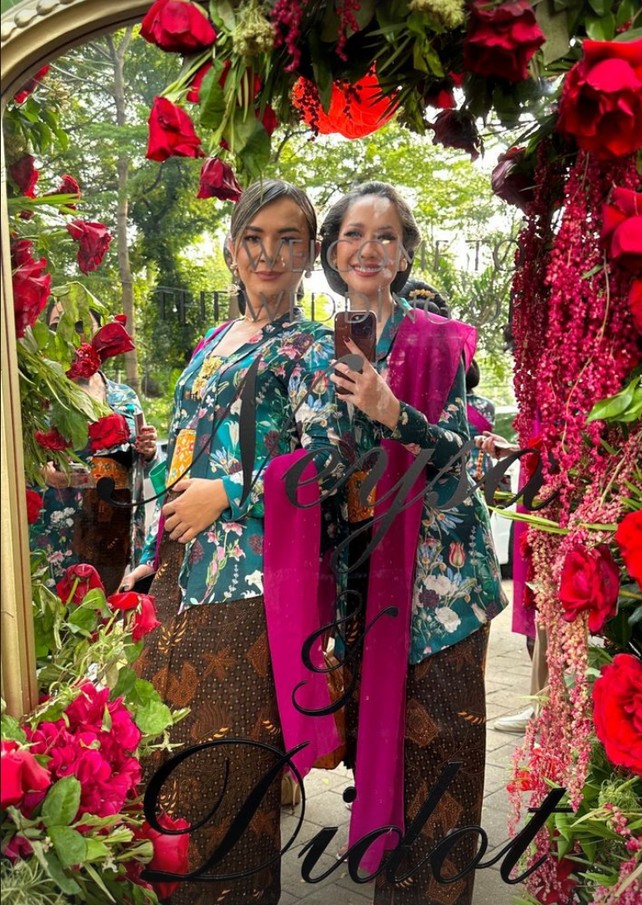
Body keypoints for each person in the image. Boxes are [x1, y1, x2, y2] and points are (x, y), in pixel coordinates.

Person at [122, 180, 345, 905]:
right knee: (170, 778)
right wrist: (160, 545)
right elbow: (184, 447)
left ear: (310, 253)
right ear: (232, 247)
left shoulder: (315, 347)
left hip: (246, 593)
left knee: (228, 790)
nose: (269, 253)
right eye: (255, 236)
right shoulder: (212, 341)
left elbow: (335, 461)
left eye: (289, 238)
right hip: (179, 584)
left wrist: (233, 489)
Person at [321, 182, 507, 905]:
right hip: (365, 590)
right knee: (386, 764)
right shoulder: (317, 346)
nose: (369, 247)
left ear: (402, 255)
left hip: (443, 592)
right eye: (353, 234)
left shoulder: (438, 341)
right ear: (332, 252)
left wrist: (392, 410)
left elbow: (461, 450)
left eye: (386, 235)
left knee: (447, 761)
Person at [29, 305, 158, 595]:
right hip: (54, 540)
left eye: (78, 326)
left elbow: (144, 464)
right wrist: (42, 474)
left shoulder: (124, 396)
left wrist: (148, 451)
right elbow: (18, 462)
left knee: (104, 622)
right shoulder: (37, 397)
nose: (68, 335)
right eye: (56, 325)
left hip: (112, 540)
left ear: (99, 335)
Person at [475, 432, 548, 733]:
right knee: (540, 614)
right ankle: (541, 707)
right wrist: (512, 451)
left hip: (548, 502)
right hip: (534, 501)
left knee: (550, 614)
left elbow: (561, 451)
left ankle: (547, 711)